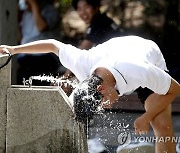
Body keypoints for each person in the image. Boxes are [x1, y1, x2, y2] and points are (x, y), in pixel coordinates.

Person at [0, 35, 179, 153]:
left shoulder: (141, 70)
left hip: (144, 52)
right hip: (114, 55)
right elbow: (53, 45)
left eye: (103, 104)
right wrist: (14, 49)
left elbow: (176, 89)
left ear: (101, 89)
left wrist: (147, 117)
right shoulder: (82, 64)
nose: (107, 107)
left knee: (162, 124)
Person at [17, 0, 64, 85]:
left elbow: (41, 27)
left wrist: (34, 4)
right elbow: (20, 38)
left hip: (46, 56)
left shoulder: (50, 11)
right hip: (26, 57)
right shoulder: (25, 14)